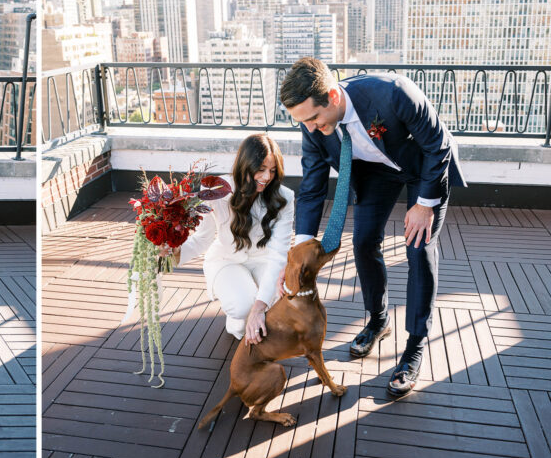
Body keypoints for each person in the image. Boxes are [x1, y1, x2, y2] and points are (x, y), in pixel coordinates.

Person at [279, 57, 465, 397]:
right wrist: (299, 253)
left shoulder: (393, 93)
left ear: (333, 97)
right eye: (302, 121)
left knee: (419, 249)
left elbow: (437, 145)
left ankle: (415, 345)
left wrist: (425, 204)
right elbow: (312, 188)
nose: (309, 128)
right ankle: (379, 320)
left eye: (313, 118)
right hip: (374, 173)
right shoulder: (312, 125)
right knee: (363, 242)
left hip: (424, 168)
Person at [178, 133, 294, 343]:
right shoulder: (215, 190)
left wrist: (260, 307)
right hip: (227, 260)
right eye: (261, 169)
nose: (267, 177)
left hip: (264, 260)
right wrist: (171, 255)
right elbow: (202, 239)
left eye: (272, 170)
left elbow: (279, 254)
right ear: (245, 165)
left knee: (280, 305)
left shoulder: (285, 197)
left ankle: (252, 314)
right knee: (243, 309)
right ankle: (237, 321)